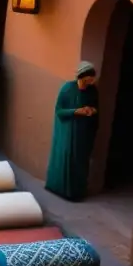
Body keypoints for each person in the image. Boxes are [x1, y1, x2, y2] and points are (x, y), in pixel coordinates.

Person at [45, 62, 99, 202]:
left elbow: (96, 108)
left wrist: (91, 110)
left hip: (83, 131)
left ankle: (77, 191)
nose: (92, 81)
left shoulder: (92, 91)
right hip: (68, 130)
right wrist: (75, 111)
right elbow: (59, 111)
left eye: (92, 78)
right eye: (89, 77)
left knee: (81, 159)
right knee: (67, 157)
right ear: (82, 76)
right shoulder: (67, 89)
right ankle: (61, 189)